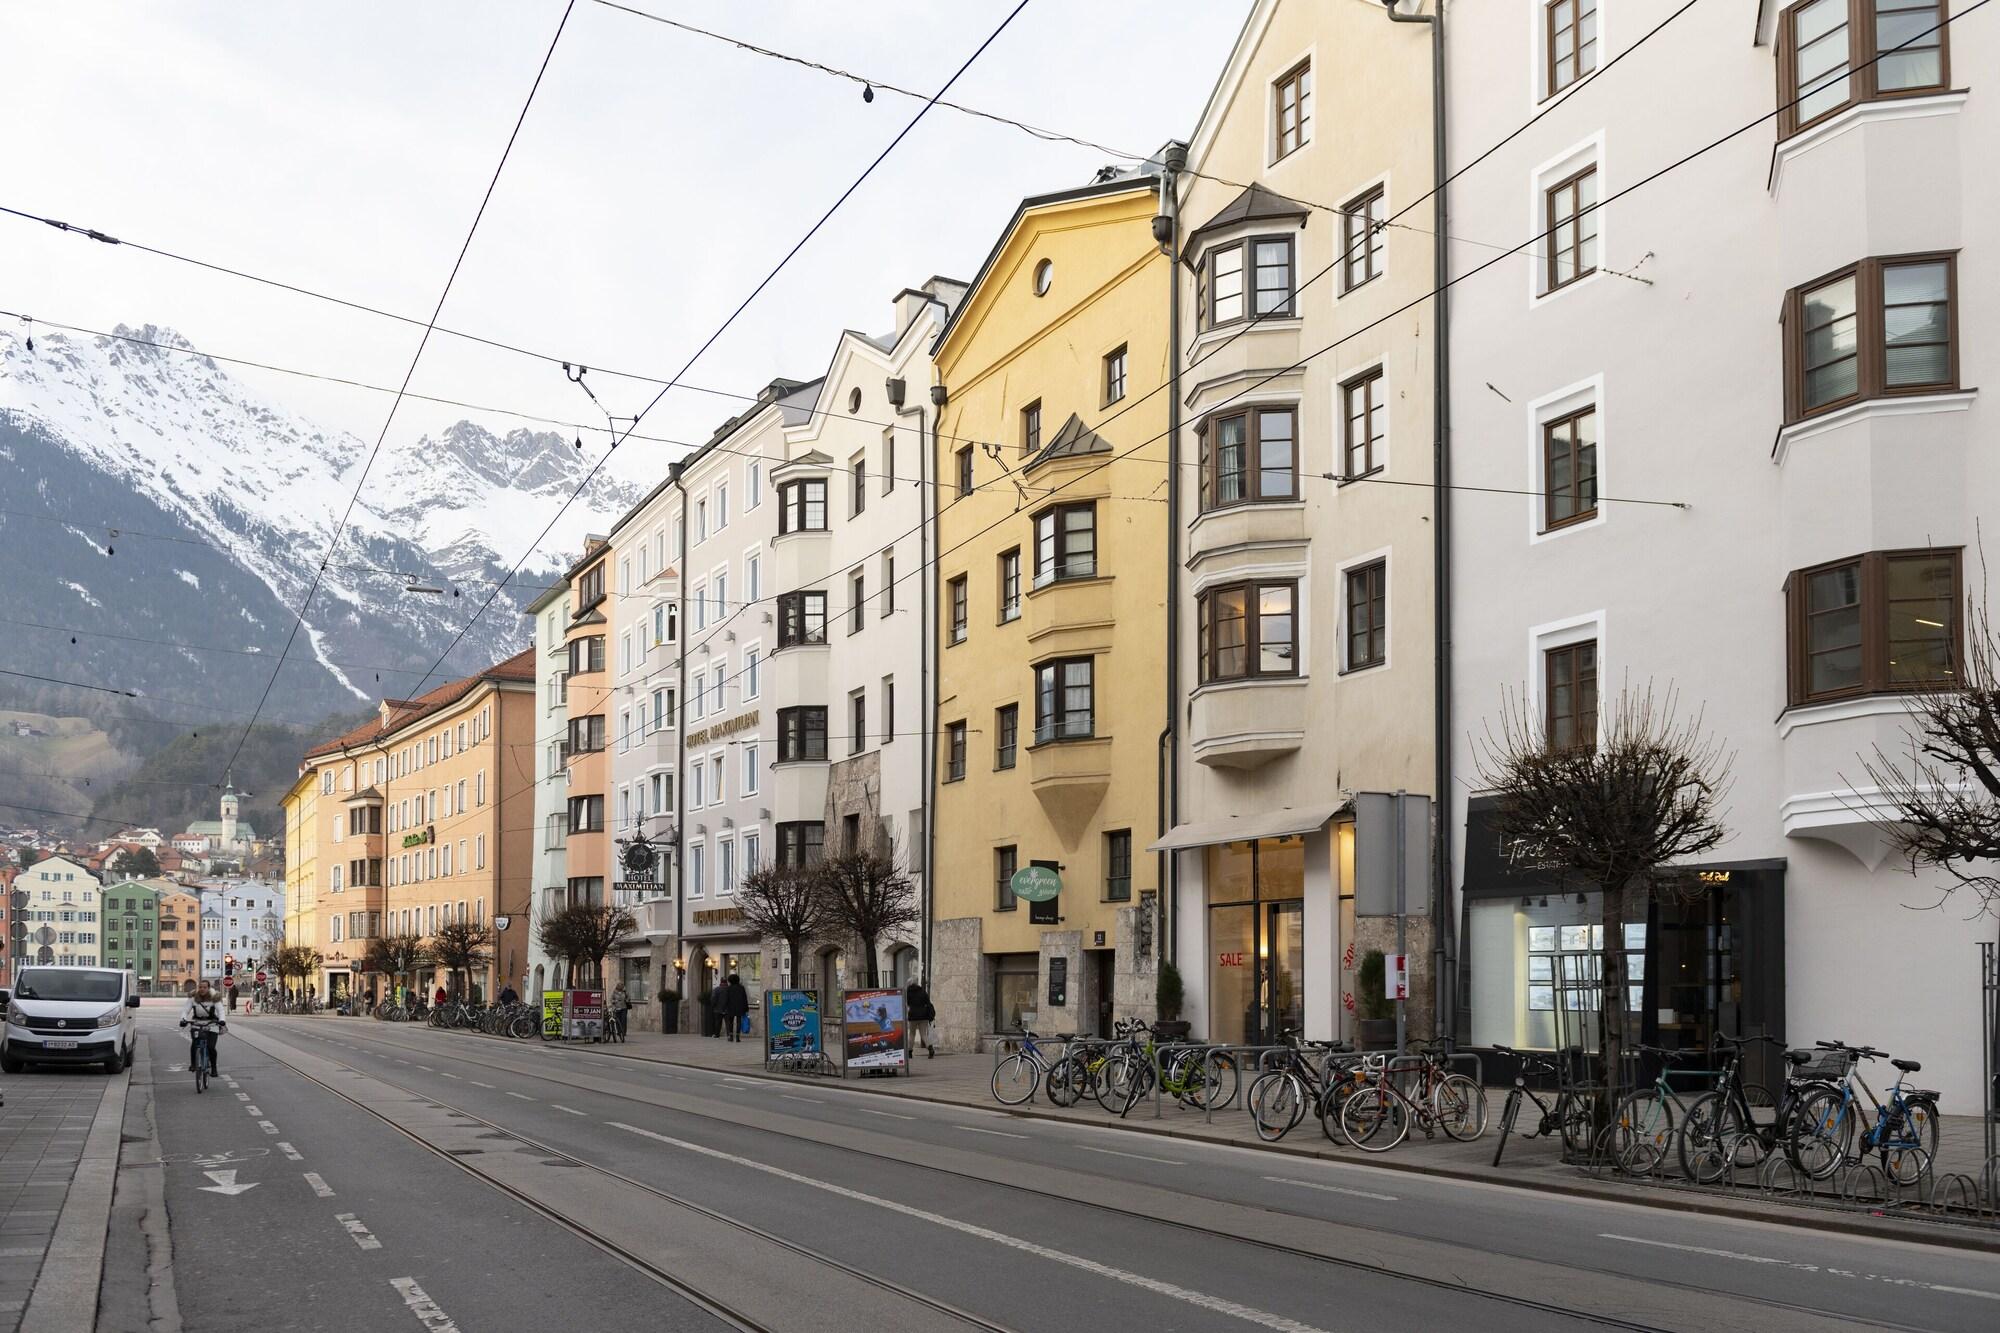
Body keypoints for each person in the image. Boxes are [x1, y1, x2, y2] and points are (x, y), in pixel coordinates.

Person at [180, 982, 226, 1076]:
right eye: (200, 987)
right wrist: (183, 1019)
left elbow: (220, 1010)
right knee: (195, 1044)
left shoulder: (214, 998)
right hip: (197, 1023)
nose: (202, 989)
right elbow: (185, 1010)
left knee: (211, 1047)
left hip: (212, 1024)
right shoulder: (193, 998)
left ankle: (214, 1068)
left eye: (204, 987)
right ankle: (193, 1064)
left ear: (208, 988)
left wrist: (222, 1020)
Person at [905, 977, 937, 1059]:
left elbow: (907, 1003)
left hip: (913, 1015)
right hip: (923, 1015)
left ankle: (909, 1052)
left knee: (912, 1034)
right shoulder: (922, 991)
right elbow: (928, 1002)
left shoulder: (908, 992)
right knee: (923, 1034)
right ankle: (930, 1048)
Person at [722, 972, 749, 1043]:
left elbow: (726, 999)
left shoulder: (728, 988)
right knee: (739, 1021)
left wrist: (724, 1008)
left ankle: (731, 1036)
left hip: (730, 1007)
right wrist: (746, 1008)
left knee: (730, 1022)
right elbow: (744, 998)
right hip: (740, 1007)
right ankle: (737, 1037)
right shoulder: (741, 988)